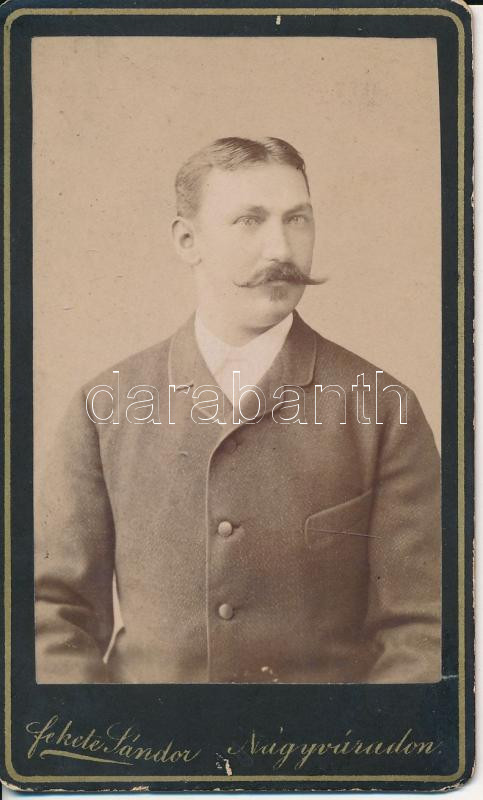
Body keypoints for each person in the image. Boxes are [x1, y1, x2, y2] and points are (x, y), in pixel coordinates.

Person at [35, 137, 441, 684]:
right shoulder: (104, 407)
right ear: (187, 240)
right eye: (250, 221)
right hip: (148, 735)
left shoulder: (382, 408)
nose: (281, 248)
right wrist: (110, 732)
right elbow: (52, 615)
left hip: (323, 739)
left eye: (297, 220)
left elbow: (423, 631)